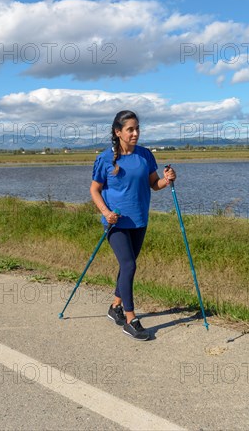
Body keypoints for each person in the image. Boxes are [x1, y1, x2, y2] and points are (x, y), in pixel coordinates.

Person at [90, 110, 176, 341]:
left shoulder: (145, 155)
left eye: (137, 128)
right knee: (128, 265)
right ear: (118, 132)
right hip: (116, 222)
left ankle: (115, 306)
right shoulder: (105, 159)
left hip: (139, 220)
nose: (135, 133)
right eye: (130, 129)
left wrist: (167, 180)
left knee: (128, 265)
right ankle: (130, 319)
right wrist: (106, 213)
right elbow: (94, 189)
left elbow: (154, 185)